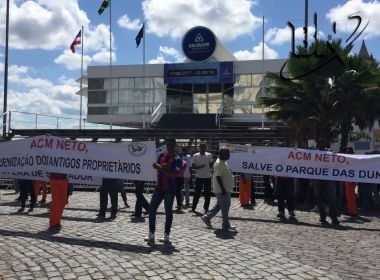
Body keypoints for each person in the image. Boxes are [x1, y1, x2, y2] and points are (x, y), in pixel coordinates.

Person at [145, 138, 181, 243]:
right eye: (168, 145)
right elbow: (156, 166)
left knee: (168, 212)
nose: (169, 147)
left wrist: (160, 169)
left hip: (170, 189)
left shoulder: (177, 159)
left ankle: (166, 234)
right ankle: (151, 234)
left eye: (171, 146)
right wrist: (157, 166)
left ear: (175, 146)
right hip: (159, 187)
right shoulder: (161, 156)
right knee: (151, 209)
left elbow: (173, 176)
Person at [201, 147, 235, 230]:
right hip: (222, 189)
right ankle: (226, 224)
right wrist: (223, 189)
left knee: (220, 205)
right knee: (225, 206)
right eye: (227, 153)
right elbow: (218, 177)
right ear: (222, 154)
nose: (229, 155)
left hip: (223, 188)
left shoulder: (222, 162)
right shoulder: (219, 163)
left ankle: (207, 217)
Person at [190, 142, 214, 214]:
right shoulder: (195, 156)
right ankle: (193, 207)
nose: (203, 148)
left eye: (204, 147)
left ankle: (206, 208)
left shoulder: (209, 155)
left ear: (206, 148)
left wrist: (213, 162)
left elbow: (211, 166)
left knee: (207, 194)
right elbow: (193, 166)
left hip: (207, 177)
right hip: (199, 177)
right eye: (201, 147)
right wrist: (199, 167)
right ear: (199, 147)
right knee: (197, 193)